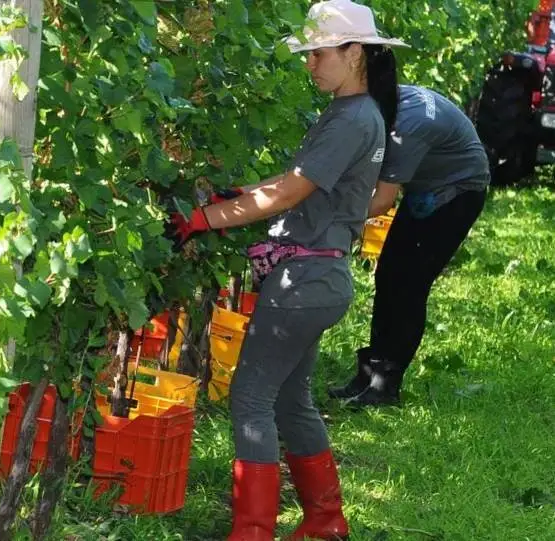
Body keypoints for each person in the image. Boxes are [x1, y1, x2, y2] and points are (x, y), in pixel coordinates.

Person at [167, 1, 405, 538]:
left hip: (304, 282)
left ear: (354, 53)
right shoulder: (355, 113)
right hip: (319, 279)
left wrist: (198, 220)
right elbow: (294, 178)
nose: (310, 65)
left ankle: (252, 531)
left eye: (318, 55)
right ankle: (326, 520)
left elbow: (290, 192)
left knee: (250, 398)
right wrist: (241, 194)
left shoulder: (353, 117)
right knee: (293, 401)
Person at [327, 84, 490, 408]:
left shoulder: (408, 126)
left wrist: (328, 220)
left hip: (458, 191)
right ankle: (368, 376)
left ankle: (386, 387)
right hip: (427, 188)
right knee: (388, 276)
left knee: (411, 284)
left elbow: (382, 200)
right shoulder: (382, 102)